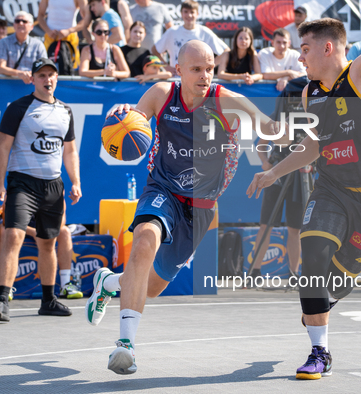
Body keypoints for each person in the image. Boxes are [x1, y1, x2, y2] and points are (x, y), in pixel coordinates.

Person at [85, 40, 283, 375]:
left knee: (150, 285)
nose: (205, 75)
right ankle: (125, 346)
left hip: (202, 206)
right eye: (197, 69)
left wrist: (300, 131)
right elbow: (133, 120)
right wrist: (119, 115)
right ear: (179, 70)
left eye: (210, 68)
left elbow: (268, 127)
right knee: (144, 242)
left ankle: (107, 283)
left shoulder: (227, 101)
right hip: (162, 189)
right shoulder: (162, 94)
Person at [247, 0, 361, 380]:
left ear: (327, 47)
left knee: (330, 285)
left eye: (304, 49)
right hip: (332, 188)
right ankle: (320, 351)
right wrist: (274, 172)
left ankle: (319, 305)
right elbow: (315, 144)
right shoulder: (309, 93)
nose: (300, 58)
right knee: (312, 258)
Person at [0, 58, 82, 322]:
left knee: (48, 243)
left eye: (51, 75)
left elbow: (70, 150)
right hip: (23, 182)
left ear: (57, 79)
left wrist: (76, 182)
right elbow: (3, 146)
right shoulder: (18, 107)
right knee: (12, 235)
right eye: (42, 75)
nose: (47, 80)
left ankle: (48, 300)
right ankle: (2, 299)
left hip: (53, 185)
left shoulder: (66, 111)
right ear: (33, 79)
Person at [249, 139, 303, 280]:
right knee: (266, 225)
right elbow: (261, 144)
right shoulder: (279, 116)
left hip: (300, 175)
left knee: (295, 229)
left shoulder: (310, 118)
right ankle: (255, 272)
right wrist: (265, 161)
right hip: (276, 172)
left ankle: (294, 274)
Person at [153, 0, 229, 73]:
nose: (189, 15)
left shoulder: (204, 32)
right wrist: (166, 67)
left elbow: (226, 51)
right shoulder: (172, 32)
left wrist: (209, 67)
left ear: (197, 14)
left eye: (192, 12)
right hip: (176, 78)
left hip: (197, 80)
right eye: (186, 12)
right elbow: (154, 50)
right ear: (181, 13)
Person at [0, 11, 47, 84]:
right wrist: (20, 74)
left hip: (33, 87)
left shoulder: (38, 45)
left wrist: (31, 74)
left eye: (24, 21)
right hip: (9, 87)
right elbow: (1, 68)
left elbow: (44, 68)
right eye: (17, 21)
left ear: (31, 26)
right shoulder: (3, 42)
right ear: (14, 25)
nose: (20, 23)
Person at [37, 0, 89, 70]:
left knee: (71, 67)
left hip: (69, 38)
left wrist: (69, 31)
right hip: (51, 37)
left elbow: (87, 18)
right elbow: (40, 16)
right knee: (46, 67)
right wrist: (48, 31)